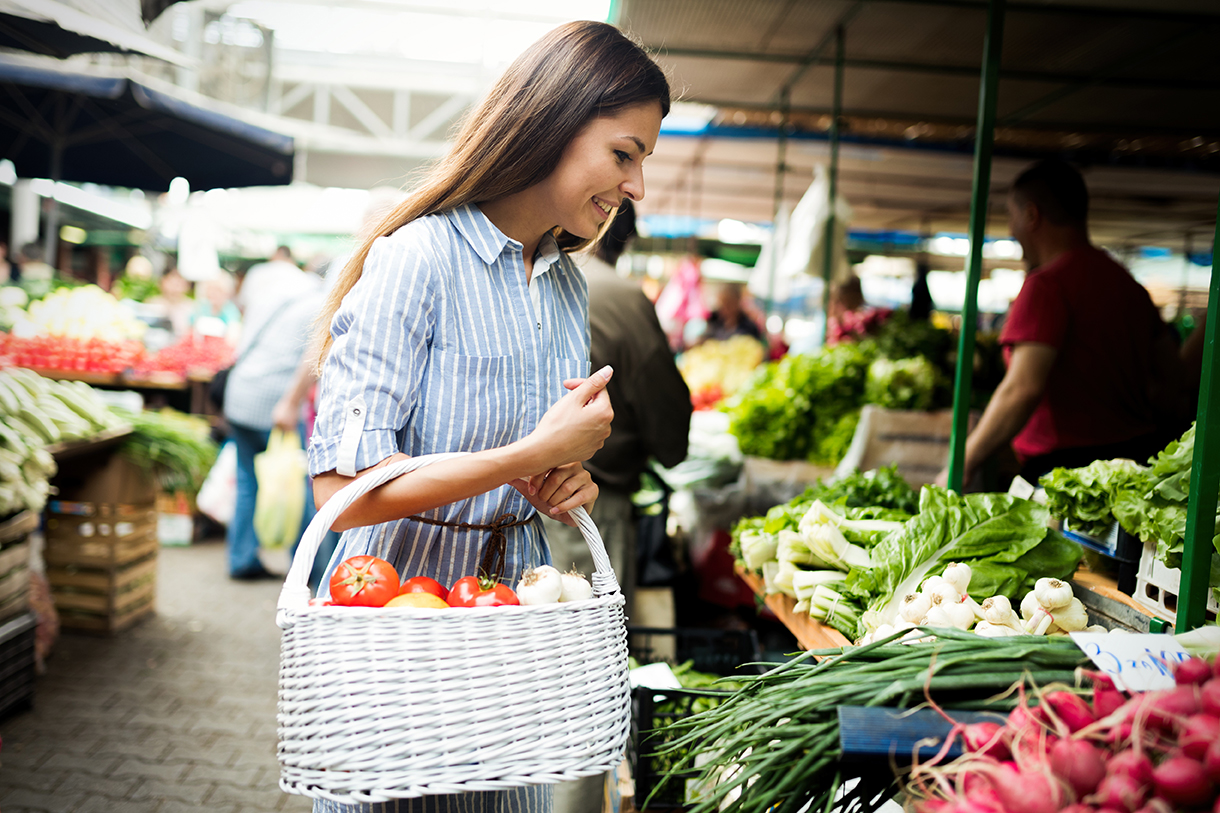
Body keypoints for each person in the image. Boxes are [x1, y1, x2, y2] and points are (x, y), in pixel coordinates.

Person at [307, 20, 668, 813]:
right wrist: (528, 451)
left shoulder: (566, 284)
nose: (636, 186)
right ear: (555, 120)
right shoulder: (418, 258)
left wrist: (562, 478)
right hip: (404, 619)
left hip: (515, 627)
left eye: (643, 160)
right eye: (624, 153)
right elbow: (340, 488)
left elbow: (534, 463)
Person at [543, 200, 690, 813]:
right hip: (584, 512)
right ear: (620, 237)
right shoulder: (620, 297)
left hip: (502, 501)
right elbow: (670, 429)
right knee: (579, 683)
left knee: (519, 677)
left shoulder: (529, 276)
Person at [938, 159, 1190, 488]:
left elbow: (1022, 389)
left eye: (1011, 217)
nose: (1012, 230)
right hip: (1134, 465)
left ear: (1031, 215)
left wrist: (963, 462)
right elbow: (1173, 379)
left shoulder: (1047, 287)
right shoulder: (1127, 285)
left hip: (1067, 475)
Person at [223, 263, 326, 579]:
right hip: (275, 401)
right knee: (298, 483)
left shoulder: (268, 295)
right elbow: (313, 355)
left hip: (239, 393)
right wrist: (291, 402)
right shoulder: (319, 302)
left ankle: (241, 559)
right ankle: (304, 566)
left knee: (247, 482)